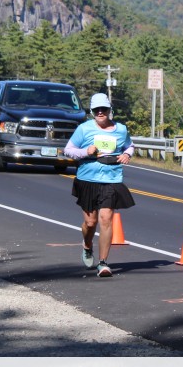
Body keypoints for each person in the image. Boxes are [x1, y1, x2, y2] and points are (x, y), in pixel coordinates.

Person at [63, 93, 135, 278]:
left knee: (106, 219)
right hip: (87, 179)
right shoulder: (84, 129)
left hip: (111, 179)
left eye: (104, 109)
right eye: (97, 110)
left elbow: (129, 146)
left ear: (110, 110)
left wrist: (127, 154)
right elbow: (68, 150)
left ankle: (103, 263)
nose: (100, 112)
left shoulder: (121, 129)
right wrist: (86, 151)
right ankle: (87, 246)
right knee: (90, 222)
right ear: (92, 111)